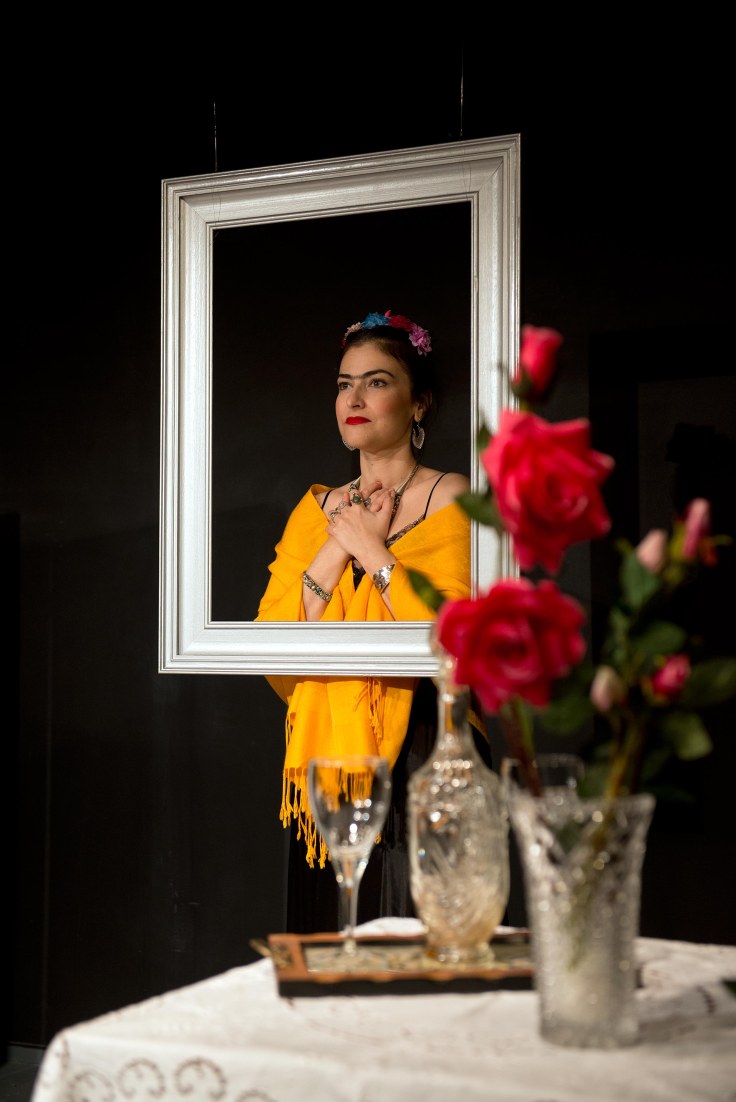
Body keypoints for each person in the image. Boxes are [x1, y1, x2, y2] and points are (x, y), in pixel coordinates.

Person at [255, 309, 490, 934]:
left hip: (426, 751)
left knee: (420, 948)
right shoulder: (314, 512)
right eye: (343, 384)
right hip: (330, 765)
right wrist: (338, 546)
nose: (353, 399)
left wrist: (372, 550)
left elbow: (452, 643)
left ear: (419, 404)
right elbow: (273, 644)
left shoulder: (452, 498)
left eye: (377, 382)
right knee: (332, 947)